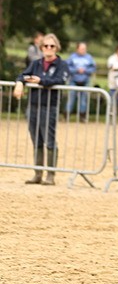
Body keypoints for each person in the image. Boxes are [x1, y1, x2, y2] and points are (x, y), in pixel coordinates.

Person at [13, 33, 70, 185]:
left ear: (57, 47)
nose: (49, 48)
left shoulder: (61, 65)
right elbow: (24, 75)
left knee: (49, 141)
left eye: (52, 46)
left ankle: (50, 176)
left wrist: (41, 81)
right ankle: (37, 174)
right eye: (46, 46)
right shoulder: (36, 64)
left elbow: (60, 80)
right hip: (33, 106)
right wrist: (19, 83)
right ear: (41, 47)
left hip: (49, 106)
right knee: (36, 140)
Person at [65, 41, 96, 118]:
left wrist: (85, 70)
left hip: (85, 80)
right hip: (73, 80)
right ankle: (67, 115)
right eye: (81, 49)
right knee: (71, 98)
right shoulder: (72, 57)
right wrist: (76, 70)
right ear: (77, 49)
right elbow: (67, 67)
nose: (83, 50)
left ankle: (82, 115)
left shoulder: (89, 57)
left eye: (84, 49)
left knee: (83, 100)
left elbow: (93, 68)